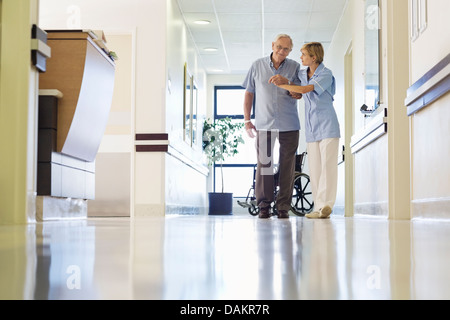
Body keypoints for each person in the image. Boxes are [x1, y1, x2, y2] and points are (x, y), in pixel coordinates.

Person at [270, 42, 341, 219]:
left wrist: (283, 85)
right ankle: (318, 207)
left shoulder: (325, 73)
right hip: (311, 129)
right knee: (315, 168)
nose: (300, 57)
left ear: (314, 57)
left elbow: (305, 89)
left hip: (328, 125)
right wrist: (289, 86)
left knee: (328, 167)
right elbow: (298, 90)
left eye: (303, 54)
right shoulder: (303, 74)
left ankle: (326, 205)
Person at [242, 34, 302, 219]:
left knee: (287, 166)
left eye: (286, 49)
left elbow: (299, 94)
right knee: (265, 165)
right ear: (272, 45)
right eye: (279, 47)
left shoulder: (295, 67)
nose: (281, 51)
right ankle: (264, 206)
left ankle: (283, 207)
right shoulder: (257, 65)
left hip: (289, 123)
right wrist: (246, 120)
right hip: (264, 123)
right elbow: (249, 94)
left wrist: (287, 83)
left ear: (290, 50)